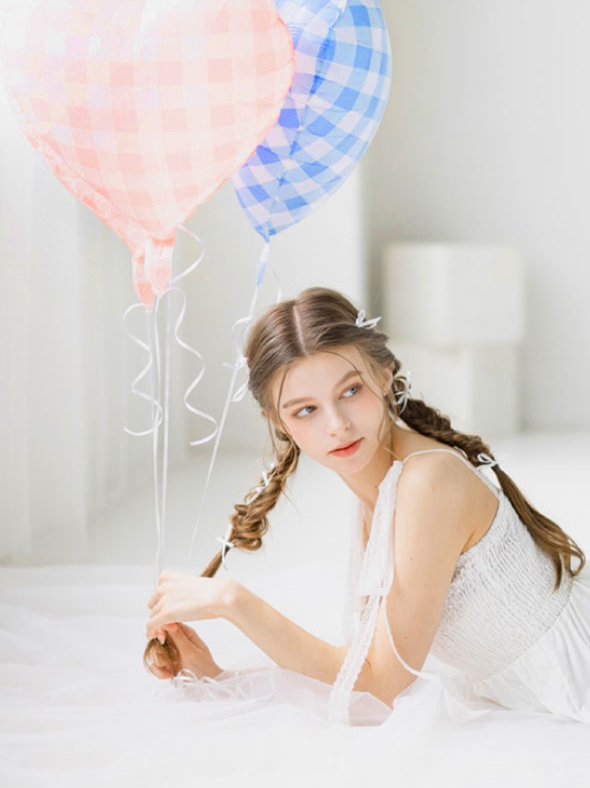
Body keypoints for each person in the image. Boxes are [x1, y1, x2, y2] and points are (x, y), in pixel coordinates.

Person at [143, 286, 589, 727]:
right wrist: (219, 677)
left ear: (385, 376)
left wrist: (234, 601)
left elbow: (380, 689)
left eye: (351, 390)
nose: (337, 425)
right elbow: (361, 674)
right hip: (529, 689)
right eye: (305, 410)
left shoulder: (427, 482)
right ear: (278, 422)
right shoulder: (379, 488)